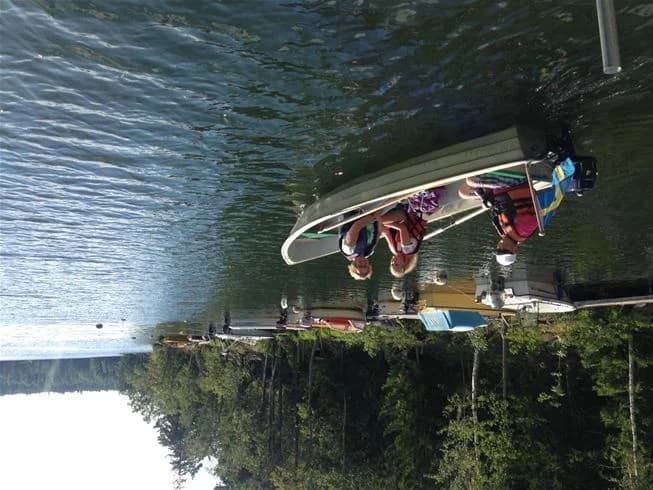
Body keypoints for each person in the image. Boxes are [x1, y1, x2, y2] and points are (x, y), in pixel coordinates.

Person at [459, 175, 537, 266]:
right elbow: (534, 220)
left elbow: (497, 209)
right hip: (516, 183)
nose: (501, 246)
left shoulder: (504, 233)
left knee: (463, 192)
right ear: (515, 250)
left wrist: (486, 198)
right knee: (471, 180)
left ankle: (485, 180)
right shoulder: (524, 231)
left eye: (498, 250)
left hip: (499, 189)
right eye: (505, 250)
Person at [380, 207, 426, 277]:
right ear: (404, 263)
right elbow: (402, 228)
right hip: (409, 216)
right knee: (377, 220)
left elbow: (386, 231)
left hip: (401, 219)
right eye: (396, 264)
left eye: (392, 264)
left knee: (376, 221)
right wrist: (381, 223)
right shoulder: (408, 250)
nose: (393, 261)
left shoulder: (395, 250)